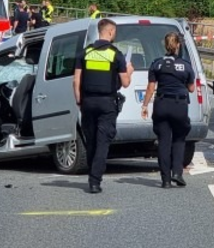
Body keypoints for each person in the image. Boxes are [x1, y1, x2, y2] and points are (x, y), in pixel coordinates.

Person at [73, 18, 132, 193]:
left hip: (87, 102)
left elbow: (76, 81)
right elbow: (125, 83)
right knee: (102, 142)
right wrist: (129, 71)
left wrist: (79, 101)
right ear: (110, 32)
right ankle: (95, 181)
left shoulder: (85, 52)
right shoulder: (116, 54)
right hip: (107, 103)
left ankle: (92, 175)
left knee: (90, 141)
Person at [143, 31, 195, 188]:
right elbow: (191, 88)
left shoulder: (156, 64)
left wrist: (145, 105)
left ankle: (165, 180)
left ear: (165, 46)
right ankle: (177, 173)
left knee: (164, 141)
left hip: (161, 104)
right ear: (178, 45)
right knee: (179, 139)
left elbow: (151, 88)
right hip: (179, 106)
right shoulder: (185, 65)